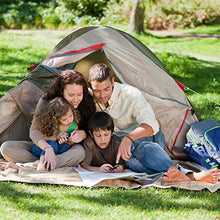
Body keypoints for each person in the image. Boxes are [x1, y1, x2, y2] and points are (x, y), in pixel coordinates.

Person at [88, 63, 219, 184]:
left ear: (112, 82)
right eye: (97, 91)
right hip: (123, 147)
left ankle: (185, 173)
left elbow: (151, 126)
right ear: (90, 86)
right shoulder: (89, 99)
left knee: (142, 147)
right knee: (131, 162)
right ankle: (178, 175)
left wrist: (128, 139)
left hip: (146, 137)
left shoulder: (131, 94)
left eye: (106, 89)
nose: (102, 95)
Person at [1, 70, 96, 171]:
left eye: (79, 94)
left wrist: (83, 134)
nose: (76, 99)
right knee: (6, 148)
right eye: (71, 95)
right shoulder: (46, 101)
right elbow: (34, 131)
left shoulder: (86, 103)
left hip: (66, 149)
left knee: (80, 153)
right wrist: (48, 148)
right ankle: (48, 163)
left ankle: (39, 164)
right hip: (44, 145)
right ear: (61, 92)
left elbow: (91, 130)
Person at [31, 97, 80, 170]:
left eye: (70, 116)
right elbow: (42, 138)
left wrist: (69, 140)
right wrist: (56, 137)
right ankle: (42, 162)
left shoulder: (73, 126)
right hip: (40, 148)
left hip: (56, 151)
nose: (69, 120)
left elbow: (71, 143)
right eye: (64, 119)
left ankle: (52, 162)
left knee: (65, 146)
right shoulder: (53, 126)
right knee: (52, 143)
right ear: (56, 119)